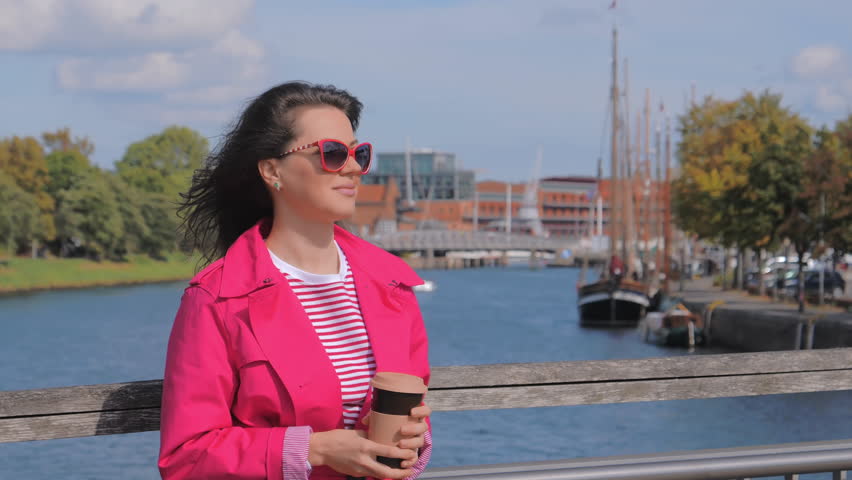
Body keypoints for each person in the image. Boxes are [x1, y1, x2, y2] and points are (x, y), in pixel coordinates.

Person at [158, 81, 432, 480]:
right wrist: (314, 449)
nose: (353, 167)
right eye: (332, 154)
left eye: (359, 153)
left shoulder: (392, 285)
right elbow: (186, 457)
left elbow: (412, 419)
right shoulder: (217, 298)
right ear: (273, 171)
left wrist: (413, 442)